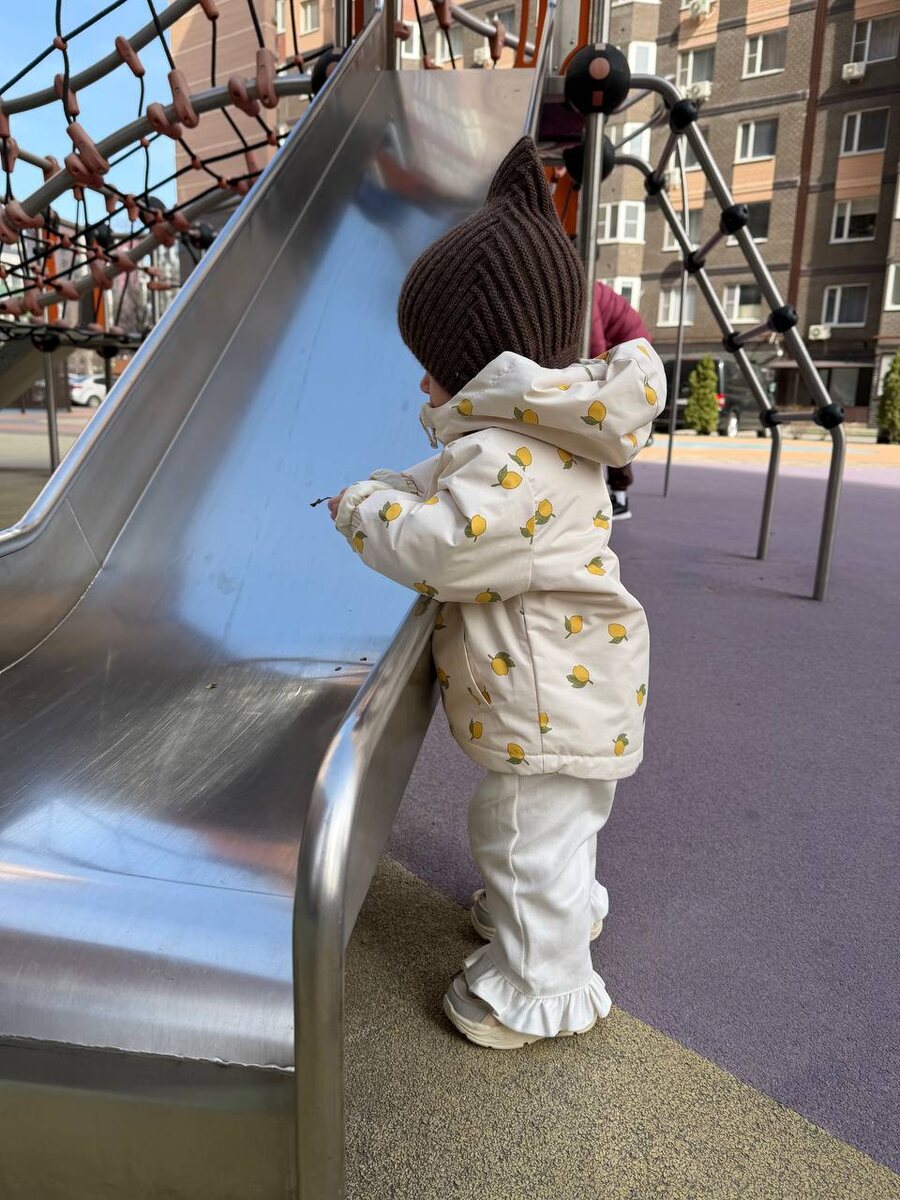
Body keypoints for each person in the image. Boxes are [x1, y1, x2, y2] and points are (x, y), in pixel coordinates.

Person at [327, 137, 665, 1049]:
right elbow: (460, 485)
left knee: (519, 833)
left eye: (436, 364)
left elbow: (445, 547)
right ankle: (563, 908)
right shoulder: (545, 433)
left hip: (549, 697)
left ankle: (539, 984)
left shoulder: (515, 455)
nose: (422, 381)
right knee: (553, 830)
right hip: (570, 683)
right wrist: (404, 482)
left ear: (489, 370)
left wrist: (365, 507)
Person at [590, 281, 653, 522]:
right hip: (630, 350)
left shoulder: (588, 292)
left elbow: (595, 348)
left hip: (633, 354)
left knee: (613, 422)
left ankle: (620, 498)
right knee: (614, 422)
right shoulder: (590, 286)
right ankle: (618, 495)